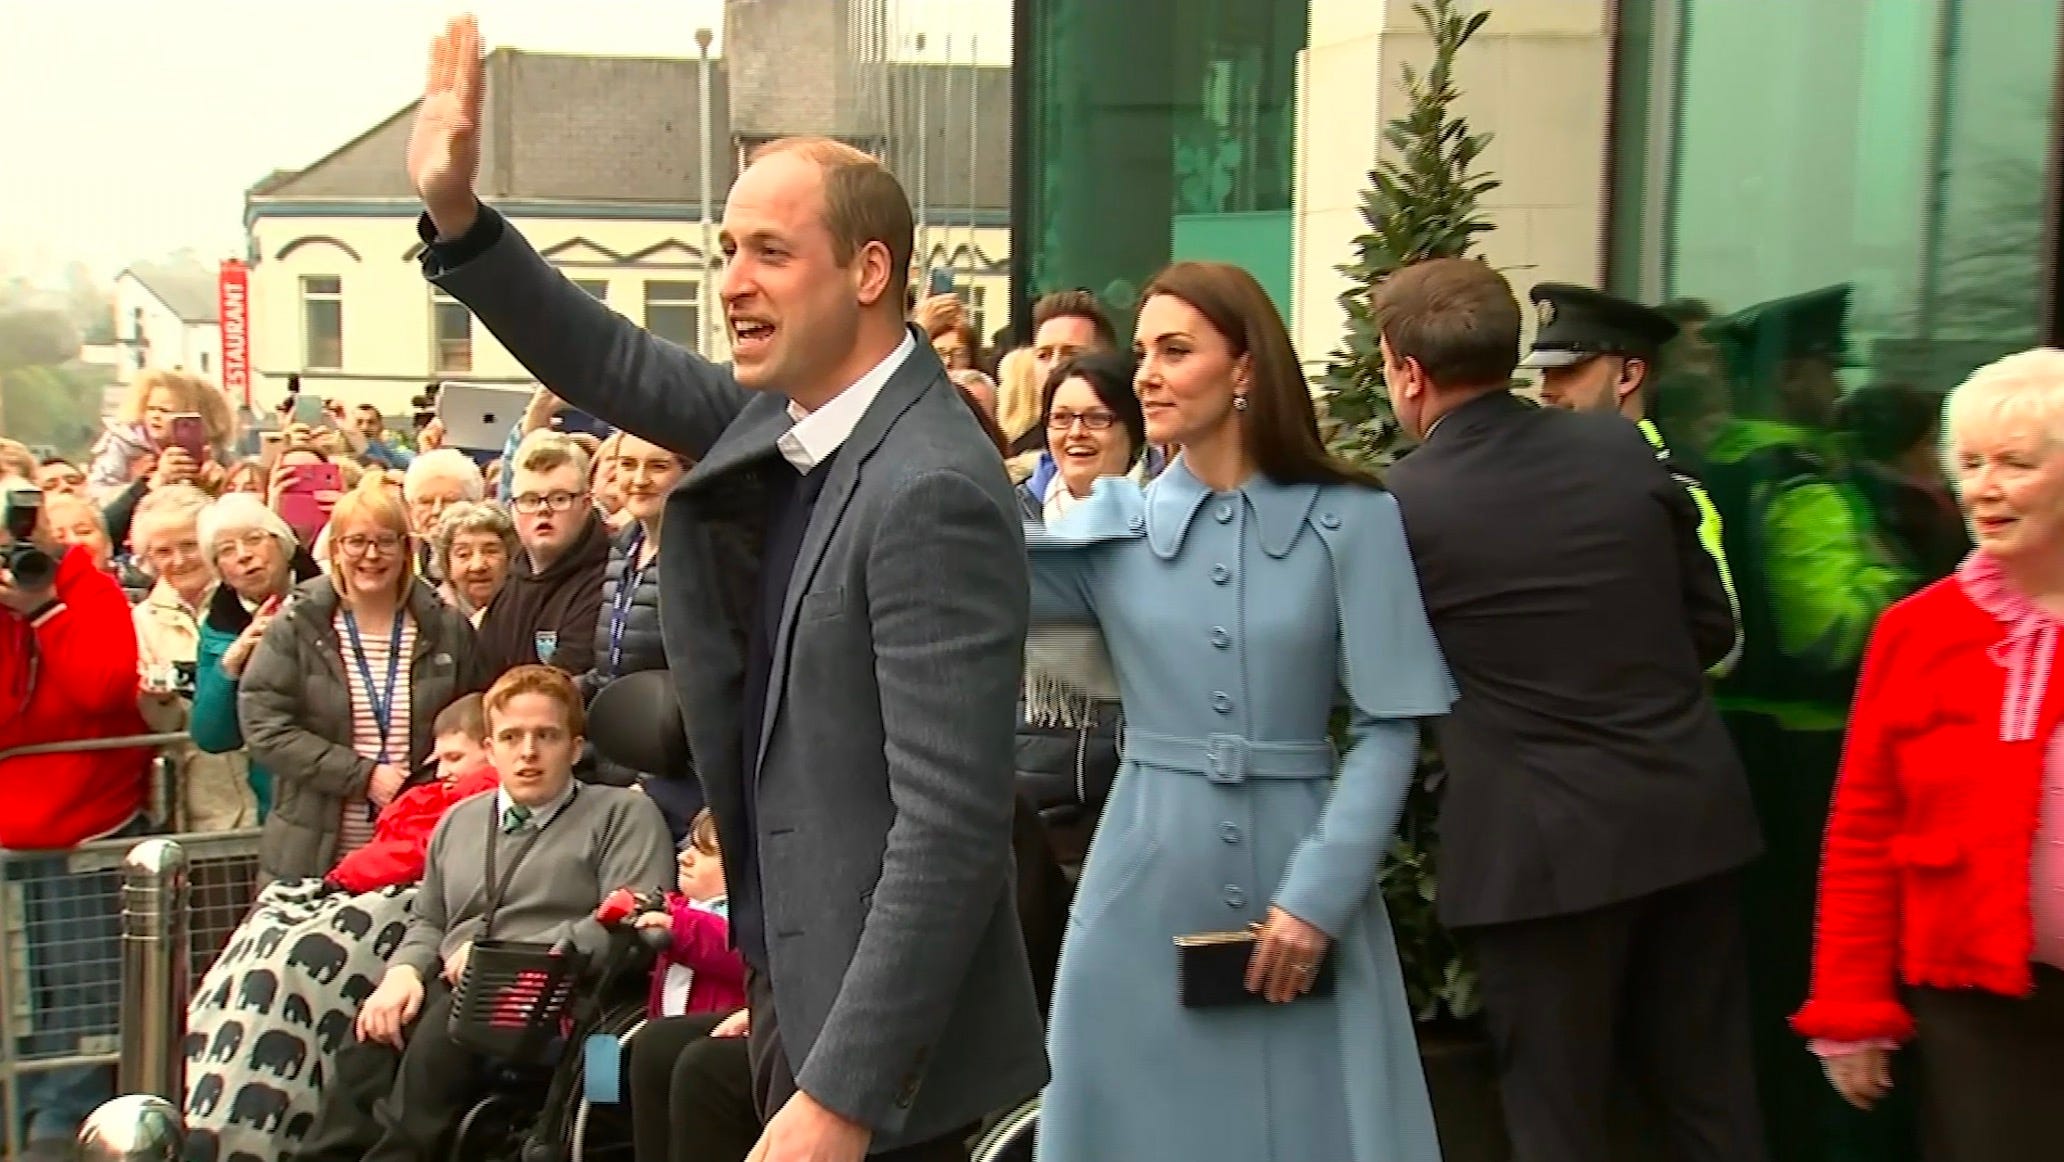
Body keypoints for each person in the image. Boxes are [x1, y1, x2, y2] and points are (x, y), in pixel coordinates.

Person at [404, 18, 1044, 1159]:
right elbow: (609, 359)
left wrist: (841, 1096)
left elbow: (949, 831)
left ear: (870, 271)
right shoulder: (797, 424)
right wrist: (459, 217)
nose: (733, 285)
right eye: (726, 252)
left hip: (883, 1069)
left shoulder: (930, 486)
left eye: (768, 252)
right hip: (802, 998)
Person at [1024, 261, 1455, 1162]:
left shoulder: (1352, 519)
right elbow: (956, 573)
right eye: (1141, 352)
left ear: (1247, 366)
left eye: (1174, 351)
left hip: (1305, 883)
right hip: (1141, 888)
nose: (1144, 374)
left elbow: (1390, 726)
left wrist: (1317, 898)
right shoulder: (1113, 526)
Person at [1378, 258, 1766, 1162]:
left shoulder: (1402, 504)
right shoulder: (1616, 448)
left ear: (1405, 369)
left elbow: (1387, 679)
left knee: (1558, 1118)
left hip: (1540, 857)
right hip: (1688, 822)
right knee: (1710, 1099)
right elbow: (1708, 623)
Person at [1792, 349, 2064, 1162]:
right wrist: (1849, 1008)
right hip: (1977, 1004)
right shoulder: (1918, 631)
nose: (1983, 485)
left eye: (2016, 463)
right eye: (1970, 462)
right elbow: (1863, 827)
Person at [292, 664, 674, 1162]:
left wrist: (504, 956)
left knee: (442, 1034)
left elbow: (632, 920)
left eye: (547, 736)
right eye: (512, 737)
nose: (529, 752)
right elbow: (430, 919)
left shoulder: (622, 813)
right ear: (490, 750)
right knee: (373, 1028)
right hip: (460, 983)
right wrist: (404, 972)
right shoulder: (459, 821)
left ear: (576, 748)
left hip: (561, 992)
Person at [0, 471, 154, 1159]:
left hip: (89, 828)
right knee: (16, 991)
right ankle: (17, 1111)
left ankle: (58, 1125)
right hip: (12, 834)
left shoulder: (86, 586)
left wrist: (44, 609)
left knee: (84, 987)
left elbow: (101, 690)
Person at [239, 487, 488, 881]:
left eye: (385, 542)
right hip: (316, 845)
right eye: (357, 542)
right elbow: (264, 728)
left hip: (421, 846)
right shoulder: (297, 625)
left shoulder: (446, 629)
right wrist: (363, 775)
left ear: (406, 549)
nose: (371, 556)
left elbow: (476, 721)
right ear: (336, 549)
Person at [1523, 282, 1740, 673]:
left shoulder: (1674, 488)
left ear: (1628, 376)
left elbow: (1725, 644)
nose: (1547, 391)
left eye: (1568, 372)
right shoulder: (1531, 473)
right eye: (1545, 373)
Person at [1013, 351, 1145, 874]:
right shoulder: (1015, 522)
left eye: (1096, 418)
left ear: (1132, 428)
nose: (1076, 434)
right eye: (1061, 419)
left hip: (1132, 796)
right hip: (1032, 799)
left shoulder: (1165, 525)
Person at [576, 434, 695, 823]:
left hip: (674, 775)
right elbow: (611, 668)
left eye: (657, 466)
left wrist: (660, 785)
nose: (638, 479)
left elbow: (710, 686)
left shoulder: (704, 557)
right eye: (627, 465)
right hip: (616, 761)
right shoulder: (623, 549)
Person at [629, 810, 754, 1162]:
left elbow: (730, 949)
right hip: (662, 1026)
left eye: (705, 852)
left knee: (689, 1065)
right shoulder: (681, 907)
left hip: (715, 1026)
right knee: (611, 1050)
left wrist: (676, 924)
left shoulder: (735, 918)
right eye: (687, 846)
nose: (684, 856)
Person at [190, 493, 322, 820]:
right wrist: (231, 665)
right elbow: (212, 737)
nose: (244, 556)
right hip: (279, 802)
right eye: (226, 550)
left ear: (282, 544)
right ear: (218, 570)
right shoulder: (220, 627)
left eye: (254, 539)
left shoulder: (334, 598)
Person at [473, 430, 611, 676]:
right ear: (512, 509)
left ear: (586, 504)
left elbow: (565, 682)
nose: (543, 511)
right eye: (529, 499)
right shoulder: (510, 581)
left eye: (559, 498)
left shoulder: (607, 580)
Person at [428, 500, 515, 624]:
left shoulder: (526, 611)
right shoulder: (429, 618)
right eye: (463, 554)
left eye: (491, 551)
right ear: (446, 565)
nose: (478, 565)